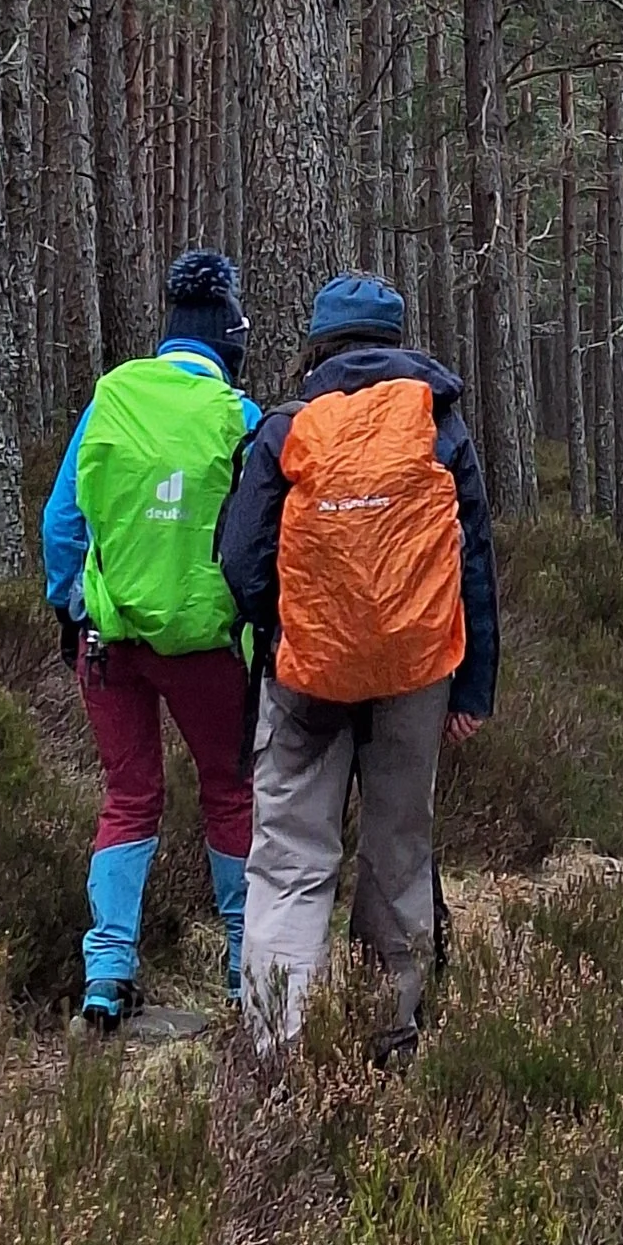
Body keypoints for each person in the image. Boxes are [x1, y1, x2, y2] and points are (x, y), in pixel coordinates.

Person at [215, 272, 498, 1058]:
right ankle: (389, 1035)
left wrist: (290, 626)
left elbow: (240, 561)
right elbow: (474, 558)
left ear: (318, 343)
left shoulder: (285, 426)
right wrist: (472, 686)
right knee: (399, 852)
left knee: (289, 860)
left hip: (303, 678)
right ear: (396, 340)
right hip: (415, 673)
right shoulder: (438, 422)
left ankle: (277, 1041)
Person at [40, 249, 260, 1033]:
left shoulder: (111, 399)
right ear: (227, 336)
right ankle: (244, 970)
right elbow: (261, 541)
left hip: (111, 641)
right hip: (205, 649)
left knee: (129, 798)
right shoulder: (240, 416)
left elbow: (61, 524)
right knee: (231, 793)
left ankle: (106, 976)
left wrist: (70, 613)